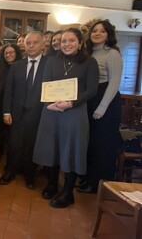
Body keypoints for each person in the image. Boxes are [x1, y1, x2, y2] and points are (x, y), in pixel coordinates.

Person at [33, 28, 99, 208]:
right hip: (52, 110)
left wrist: (70, 103)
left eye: (71, 40)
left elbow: (92, 90)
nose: (67, 44)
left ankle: (68, 192)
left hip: (74, 112)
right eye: (63, 41)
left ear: (80, 43)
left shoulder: (89, 62)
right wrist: (50, 103)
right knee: (51, 147)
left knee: (71, 150)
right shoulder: (52, 61)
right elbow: (45, 84)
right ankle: (53, 184)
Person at [78, 20, 123, 193]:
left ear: (108, 34)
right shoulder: (88, 53)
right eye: (94, 31)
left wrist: (102, 107)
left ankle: (99, 183)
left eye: (102, 31)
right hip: (91, 97)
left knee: (102, 144)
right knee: (89, 142)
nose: (97, 33)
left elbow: (114, 83)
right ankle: (88, 178)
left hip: (107, 102)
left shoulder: (112, 54)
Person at [0, 31, 46, 189]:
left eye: (35, 43)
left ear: (43, 44)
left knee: (32, 145)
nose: (31, 46)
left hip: (39, 114)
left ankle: (30, 175)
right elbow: (9, 91)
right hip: (17, 113)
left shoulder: (50, 64)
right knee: (14, 144)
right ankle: (10, 172)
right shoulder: (17, 66)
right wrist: (6, 111)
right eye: (28, 43)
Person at [0, 44, 22, 156]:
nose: (8, 55)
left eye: (11, 52)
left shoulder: (21, 67)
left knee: (13, 136)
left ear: (17, 53)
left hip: (16, 105)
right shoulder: (2, 68)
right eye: (6, 53)